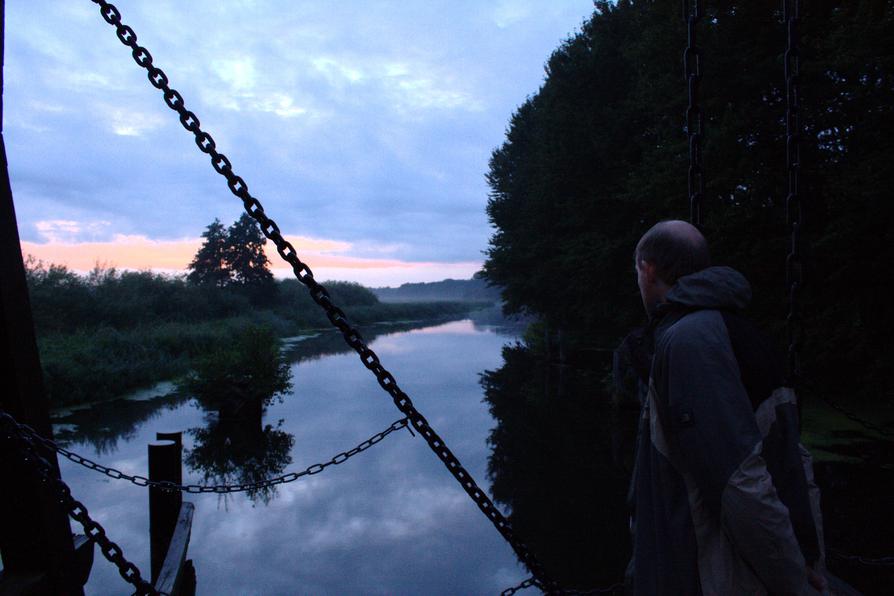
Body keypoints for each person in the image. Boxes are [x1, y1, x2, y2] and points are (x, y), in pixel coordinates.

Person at [627, 220, 827, 595]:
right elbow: (791, 459)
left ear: (647, 269)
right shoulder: (735, 329)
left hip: (711, 577)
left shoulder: (691, 342)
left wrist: (794, 580)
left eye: (637, 272)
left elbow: (740, 481)